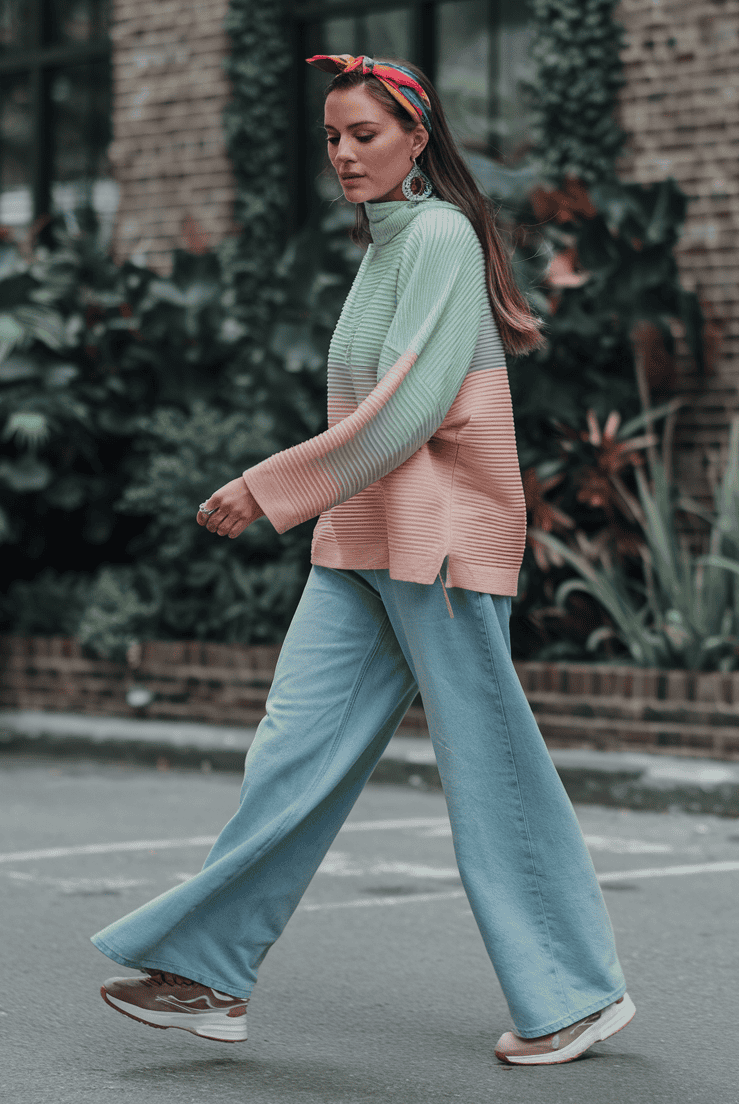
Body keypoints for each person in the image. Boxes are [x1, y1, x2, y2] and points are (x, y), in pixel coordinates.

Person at [92, 53, 635, 1066]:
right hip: (358, 545)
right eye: (333, 138)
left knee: (491, 771)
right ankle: (212, 971)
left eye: (365, 136)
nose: (343, 155)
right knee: (290, 750)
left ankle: (575, 993)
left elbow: (411, 412)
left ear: (417, 139)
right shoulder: (387, 242)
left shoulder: (437, 232)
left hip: (434, 543)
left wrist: (269, 487)